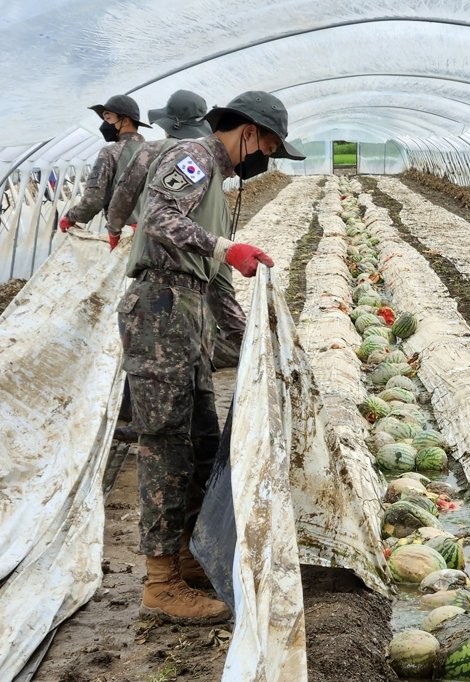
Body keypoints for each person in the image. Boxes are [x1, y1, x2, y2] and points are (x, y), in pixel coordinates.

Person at [119, 90, 305, 624]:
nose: (261, 158)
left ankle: (186, 556)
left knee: (200, 437)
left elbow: (217, 278)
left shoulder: (218, 188)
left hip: (189, 312)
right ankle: (161, 581)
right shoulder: (194, 157)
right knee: (165, 443)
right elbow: (156, 216)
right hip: (160, 307)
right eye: (264, 146)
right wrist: (226, 248)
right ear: (245, 130)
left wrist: (252, 338)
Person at [107, 91, 247, 444]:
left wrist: (113, 225)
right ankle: (146, 427)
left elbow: (124, 194)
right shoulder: (193, 158)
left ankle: (196, 478)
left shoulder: (191, 164)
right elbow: (160, 217)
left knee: (192, 397)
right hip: (164, 294)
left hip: (186, 299)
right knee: (165, 411)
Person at [59, 94, 151, 248]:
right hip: (155, 238)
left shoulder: (111, 152)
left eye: (108, 119)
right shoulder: (156, 151)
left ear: (125, 120)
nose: (104, 124)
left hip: (127, 239)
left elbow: (94, 199)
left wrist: (70, 217)